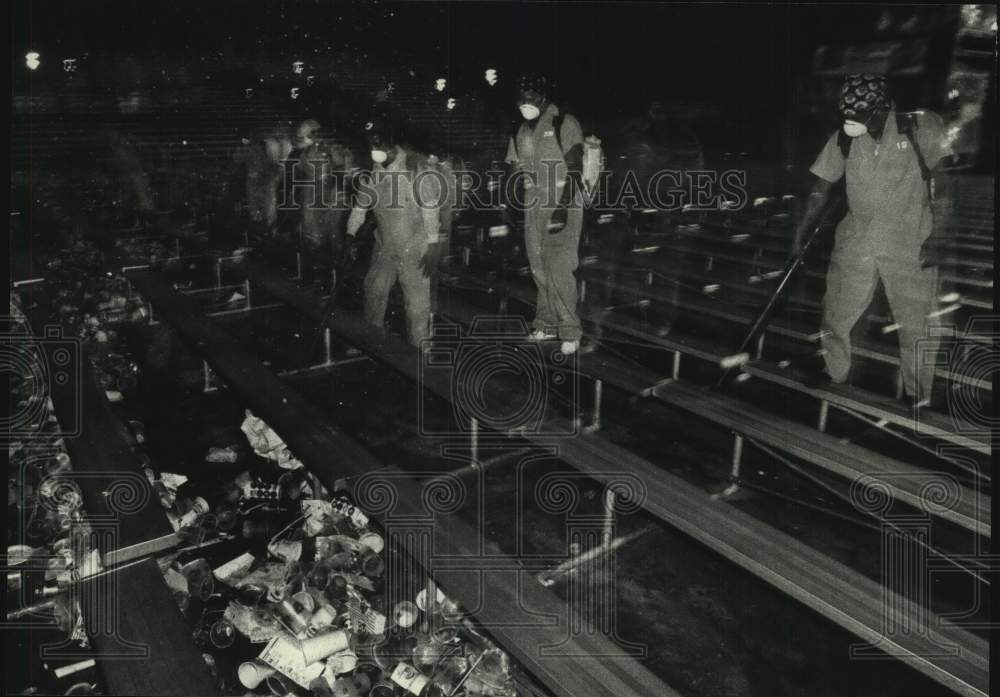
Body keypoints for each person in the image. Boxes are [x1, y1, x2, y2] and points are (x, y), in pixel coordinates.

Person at [792, 74, 953, 407]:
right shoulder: (844, 138)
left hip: (910, 242)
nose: (856, 122)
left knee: (916, 323)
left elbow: (945, 185)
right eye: (850, 115)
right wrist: (801, 231)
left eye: (863, 115)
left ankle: (917, 393)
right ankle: (833, 370)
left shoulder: (920, 127)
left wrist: (938, 237)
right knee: (836, 311)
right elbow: (820, 188)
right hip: (857, 240)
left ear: (884, 106)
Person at [344, 115, 450, 346]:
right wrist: (350, 234)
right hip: (385, 245)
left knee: (417, 304)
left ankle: (421, 349)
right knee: (373, 290)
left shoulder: (415, 166)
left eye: (378, 142)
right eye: (370, 143)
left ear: (391, 141)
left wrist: (433, 246)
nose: (374, 148)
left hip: (414, 246)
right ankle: (372, 342)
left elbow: (430, 210)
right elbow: (361, 207)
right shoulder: (374, 171)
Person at [505, 74, 586, 355]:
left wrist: (562, 207)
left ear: (542, 96)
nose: (525, 102)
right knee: (538, 266)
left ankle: (570, 331)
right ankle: (547, 322)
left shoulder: (564, 123)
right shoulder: (522, 131)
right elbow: (515, 171)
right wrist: (511, 204)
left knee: (559, 266)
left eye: (531, 96)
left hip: (563, 202)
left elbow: (576, 167)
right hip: (533, 206)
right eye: (521, 96)